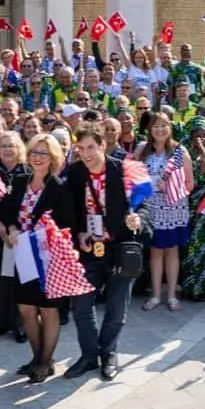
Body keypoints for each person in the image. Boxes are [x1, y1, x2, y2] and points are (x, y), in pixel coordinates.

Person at [61, 121, 140, 381]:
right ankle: (88, 356)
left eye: (91, 147)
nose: (86, 153)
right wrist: (78, 234)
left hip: (119, 248)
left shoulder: (123, 170)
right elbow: (68, 214)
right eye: (81, 147)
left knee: (117, 308)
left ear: (103, 145)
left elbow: (144, 204)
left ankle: (108, 353)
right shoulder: (74, 173)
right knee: (81, 306)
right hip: (87, 249)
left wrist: (139, 219)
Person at [0, 132, 72, 382]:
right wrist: (13, 227)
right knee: (26, 309)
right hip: (23, 256)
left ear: (54, 157)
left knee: (48, 311)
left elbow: (69, 222)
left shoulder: (59, 187)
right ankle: (38, 358)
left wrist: (46, 233)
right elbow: (6, 211)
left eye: (44, 153)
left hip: (49, 259)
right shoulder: (19, 181)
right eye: (34, 152)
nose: (38, 157)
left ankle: (46, 361)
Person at [132, 111, 190, 312]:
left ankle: (172, 296)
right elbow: (132, 176)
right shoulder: (142, 150)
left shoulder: (179, 152)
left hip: (173, 206)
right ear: (149, 129)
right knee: (155, 251)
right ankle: (156, 295)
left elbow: (190, 183)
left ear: (170, 128)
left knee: (172, 250)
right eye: (155, 126)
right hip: (151, 206)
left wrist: (174, 185)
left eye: (164, 125)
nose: (160, 129)